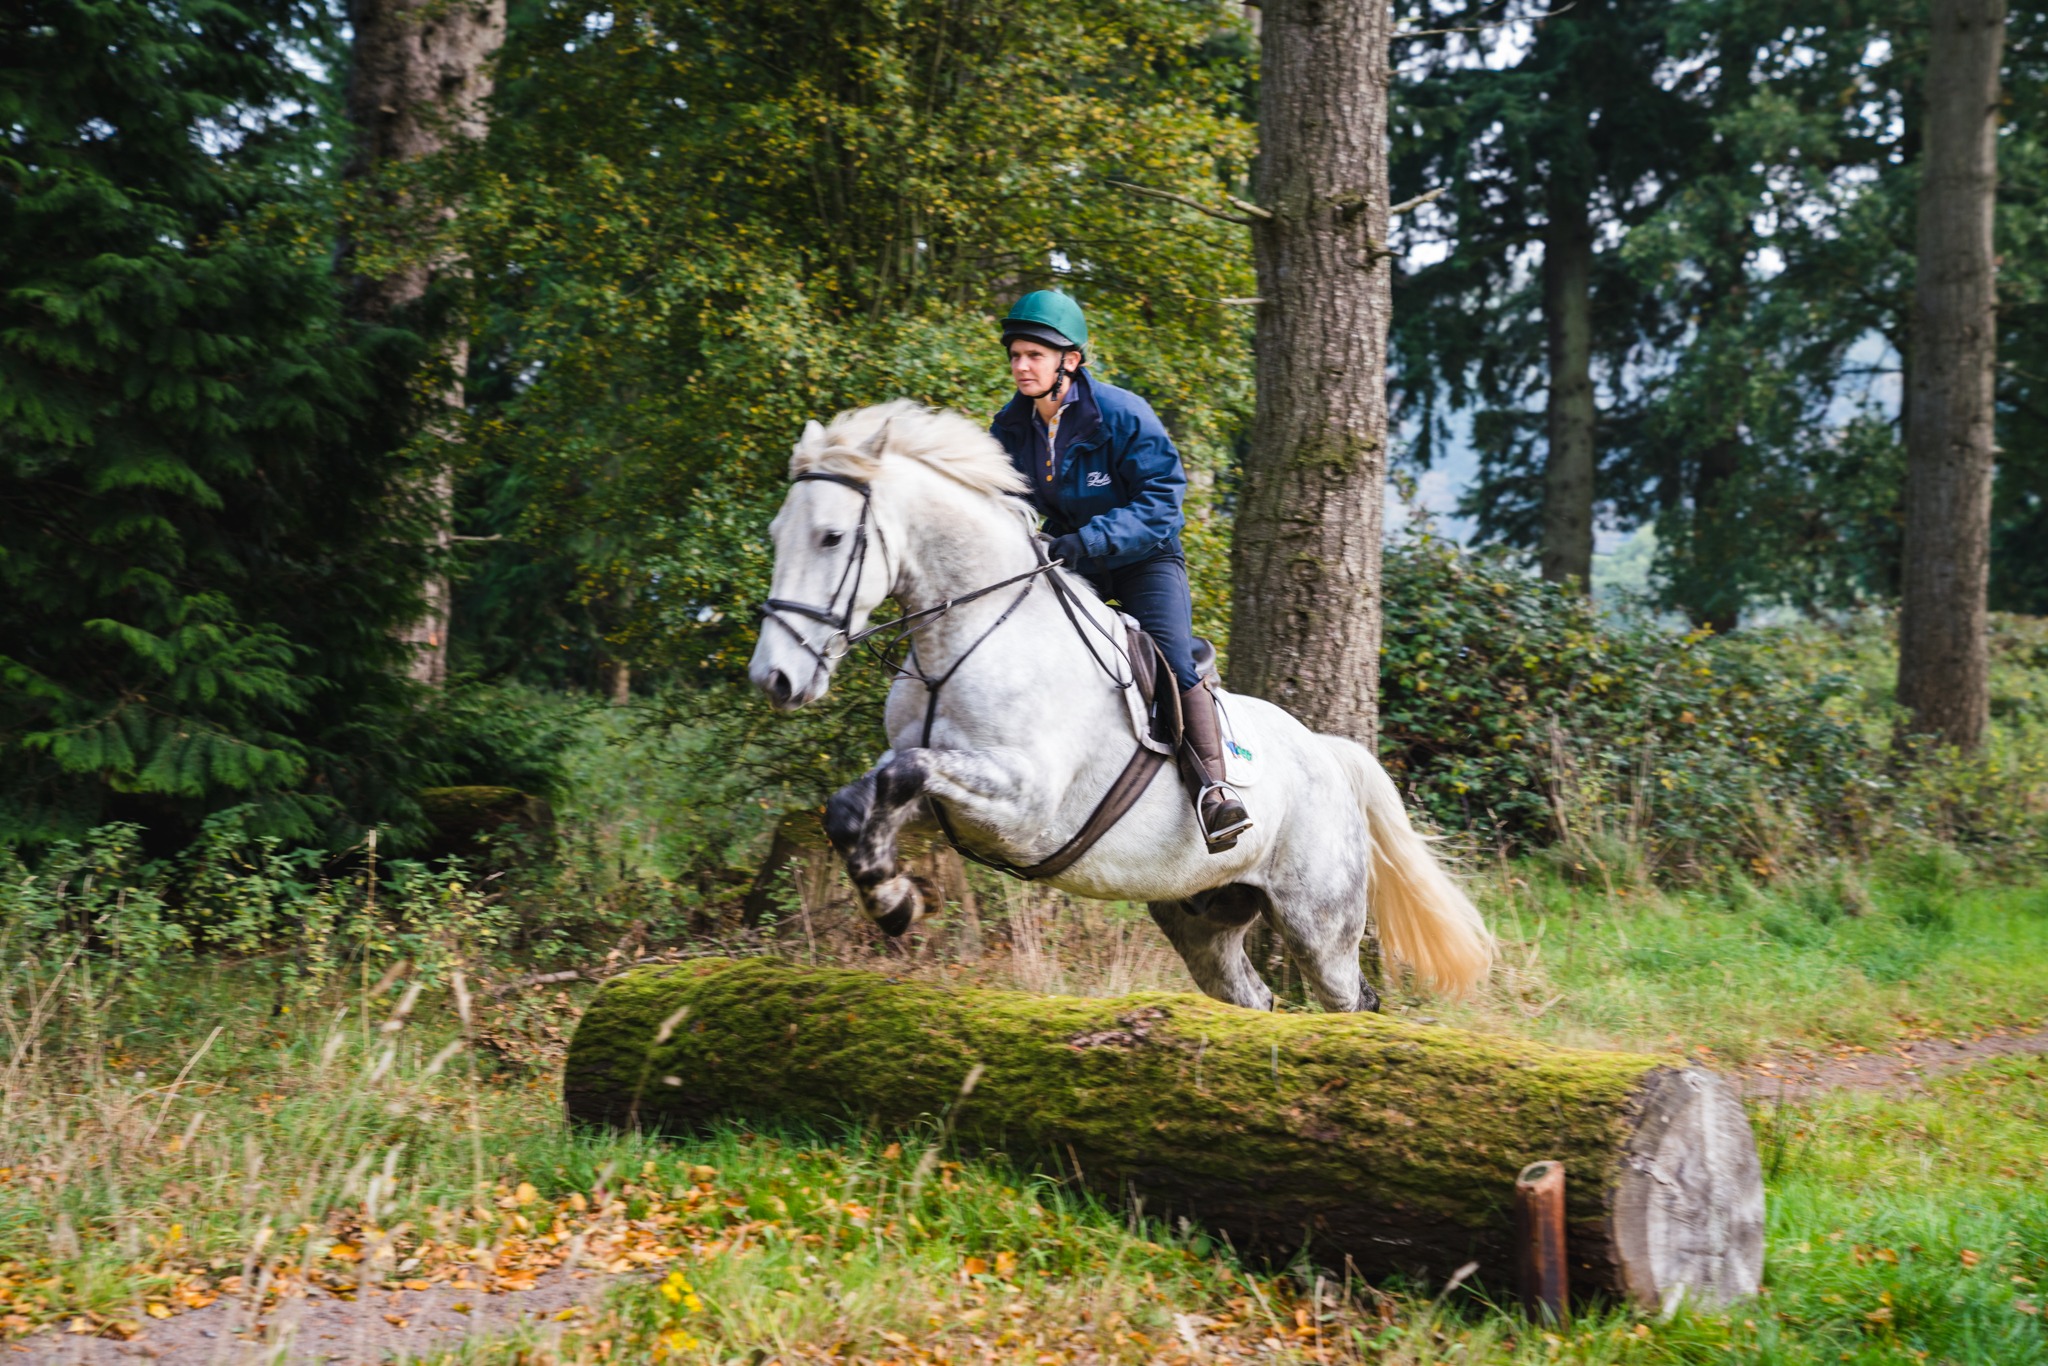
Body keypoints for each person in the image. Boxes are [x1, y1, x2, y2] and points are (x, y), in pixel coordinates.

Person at [988, 290, 1252, 852]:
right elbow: (995, 501)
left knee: (1170, 659)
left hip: (1143, 560)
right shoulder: (1009, 428)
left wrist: (1087, 540)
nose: (1020, 366)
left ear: (1070, 362)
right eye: (1015, 355)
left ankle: (1214, 789)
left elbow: (1163, 503)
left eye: (1034, 355)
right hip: (1070, 560)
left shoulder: (1122, 414)